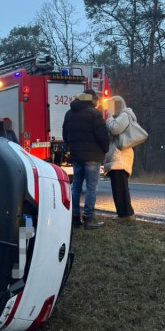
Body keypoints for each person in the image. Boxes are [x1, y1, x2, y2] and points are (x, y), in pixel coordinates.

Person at [62, 89, 109, 229]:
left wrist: (72, 147)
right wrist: (104, 150)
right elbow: (102, 136)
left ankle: (75, 217)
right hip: (93, 157)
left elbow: (65, 135)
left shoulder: (69, 113)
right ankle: (89, 219)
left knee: (76, 187)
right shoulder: (94, 114)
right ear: (92, 100)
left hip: (76, 156)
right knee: (91, 187)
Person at [103, 96, 136, 220]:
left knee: (121, 186)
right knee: (117, 187)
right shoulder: (119, 117)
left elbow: (114, 129)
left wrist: (110, 116)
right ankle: (122, 214)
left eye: (110, 106)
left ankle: (127, 214)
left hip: (121, 155)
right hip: (117, 154)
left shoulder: (124, 115)